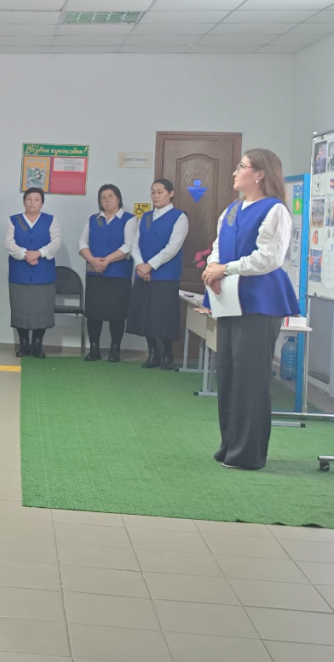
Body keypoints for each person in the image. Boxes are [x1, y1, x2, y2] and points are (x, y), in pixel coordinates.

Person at [202, 150, 299, 470]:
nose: (235, 172)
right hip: (229, 299)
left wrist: (225, 269)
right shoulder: (231, 210)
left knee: (250, 378)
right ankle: (230, 445)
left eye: (241, 166)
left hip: (260, 301)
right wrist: (213, 268)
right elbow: (218, 246)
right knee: (229, 373)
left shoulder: (275, 209)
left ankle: (248, 454)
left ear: (259, 174)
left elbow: (269, 258)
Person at [127, 178, 188, 370]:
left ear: (171, 193)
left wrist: (150, 266)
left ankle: (168, 353)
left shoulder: (179, 217)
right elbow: (135, 244)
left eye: (160, 192)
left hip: (165, 275)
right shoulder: (145, 217)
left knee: (164, 315)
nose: (155, 196)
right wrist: (140, 265)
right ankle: (153, 352)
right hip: (143, 273)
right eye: (153, 192)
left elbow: (173, 247)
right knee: (146, 314)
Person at [79, 184, 136, 363]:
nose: (107, 200)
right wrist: (93, 260)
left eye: (110, 196)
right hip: (94, 274)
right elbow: (82, 243)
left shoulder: (129, 219)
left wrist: (106, 261)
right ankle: (94, 348)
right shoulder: (93, 219)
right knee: (93, 313)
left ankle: (114, 349)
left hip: (119, 275)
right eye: (103, 197)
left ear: (118, 199)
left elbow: (128, 246)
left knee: (116, 314)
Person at [4, 188, 61, 360]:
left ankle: (37, 345)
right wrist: (25, 255)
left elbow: (56, 242)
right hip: (19, 272)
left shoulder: (50, 220)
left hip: (44, 273)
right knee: (20, 308)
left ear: (42, 202)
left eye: (36, 199)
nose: (32, 202)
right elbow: (8, 243)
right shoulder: (14, 220)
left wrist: (39, 253)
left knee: (41, 309)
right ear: (24, 201)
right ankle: (23, 345)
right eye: (29, 199)